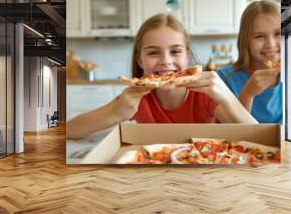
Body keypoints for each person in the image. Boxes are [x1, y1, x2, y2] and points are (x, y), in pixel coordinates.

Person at [67, 13, 257, 139]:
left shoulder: (204, 94)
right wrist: (116, 112)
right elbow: (71, 130)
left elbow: (257, 136)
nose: (165, 61)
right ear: (140, 61)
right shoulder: (136, 98)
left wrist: (228, 98)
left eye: (175, 51)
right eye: (153, 53)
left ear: (188, 57)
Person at [217, 0, 282, 123]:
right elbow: (234, 134)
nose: (271, 44)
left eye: (278, 33)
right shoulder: (223, 79)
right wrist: (248, 93)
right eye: (259, 36)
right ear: (245, 40)